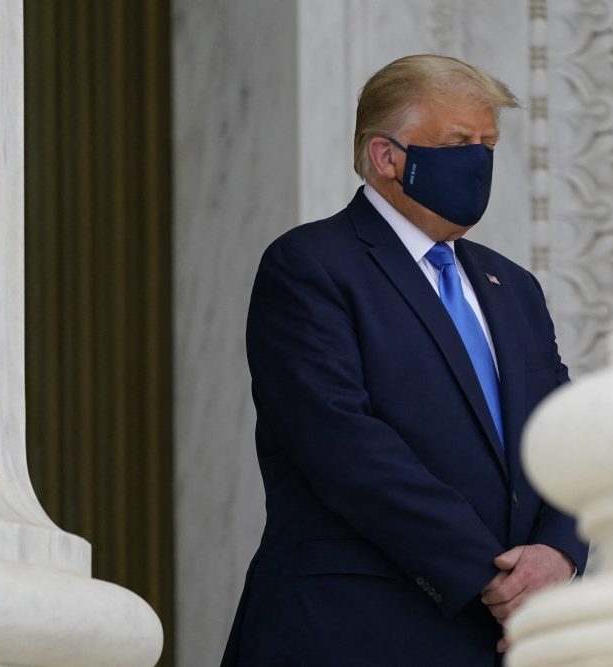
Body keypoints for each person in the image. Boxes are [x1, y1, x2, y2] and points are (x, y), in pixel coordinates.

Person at [221, 54, 587, 666]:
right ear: (386, 156)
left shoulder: (513, 286)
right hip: (356, 630)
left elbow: (567, 433)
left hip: (504, 640)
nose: (479, 160)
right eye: (458, 142)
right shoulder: (311, 265)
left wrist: (558, 555)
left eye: (488, 143)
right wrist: (491, 576)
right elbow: (342, 443)